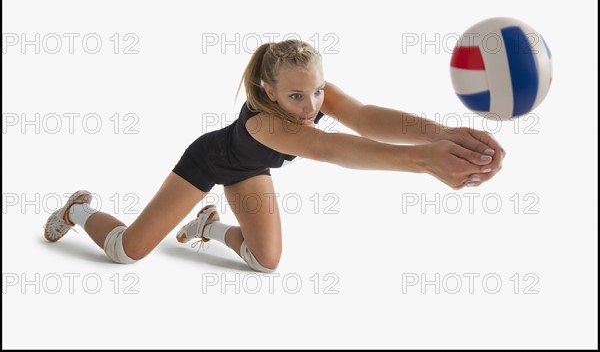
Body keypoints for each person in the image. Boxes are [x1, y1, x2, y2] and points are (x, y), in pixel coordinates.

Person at [44, 39, 505, 273]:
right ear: (270, 91)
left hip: (248, 169)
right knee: (129, 252)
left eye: (319, 91)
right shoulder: (267, 121)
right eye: (298, 96)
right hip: (207, 162)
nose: (312, 107)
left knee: (265, 262)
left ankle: (208, 226)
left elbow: (364, 118)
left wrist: (443, 133)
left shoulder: (314, 96)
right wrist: (427, 161)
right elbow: (331, 148)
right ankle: (78, 208)